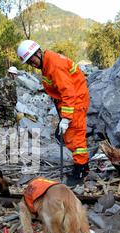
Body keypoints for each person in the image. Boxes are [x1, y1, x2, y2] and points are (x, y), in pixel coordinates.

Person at [17, 40, 90, 186]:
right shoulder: (47, 63)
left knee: (76, 137)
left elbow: (68, 93)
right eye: (29, 63)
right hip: (68, 102)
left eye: (32, 60)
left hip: (75, 102)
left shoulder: (55, 65)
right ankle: (81, 164)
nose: (33, 65)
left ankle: (81, 170)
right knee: (69, 137)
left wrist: (66, 118)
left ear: (38, 52)